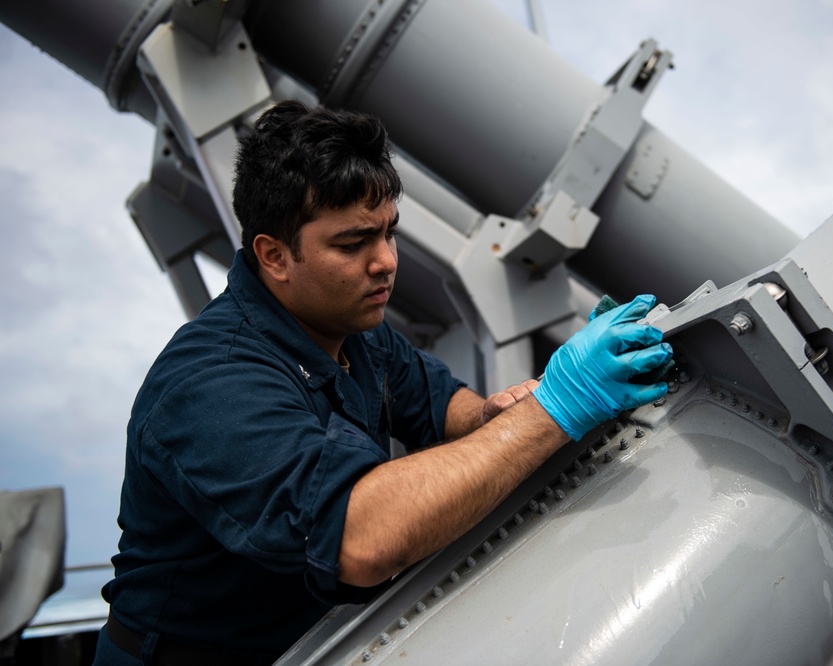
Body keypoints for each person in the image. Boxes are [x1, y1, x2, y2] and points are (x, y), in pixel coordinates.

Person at [94, 99, 673, 664]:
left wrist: (511, 409)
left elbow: (448, 407)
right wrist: (555, 407)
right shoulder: (209, 380)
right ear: (274, 256)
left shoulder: (355, 328)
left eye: (389, 233)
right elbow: (359, 537)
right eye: (353, 243)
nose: (386, 262)